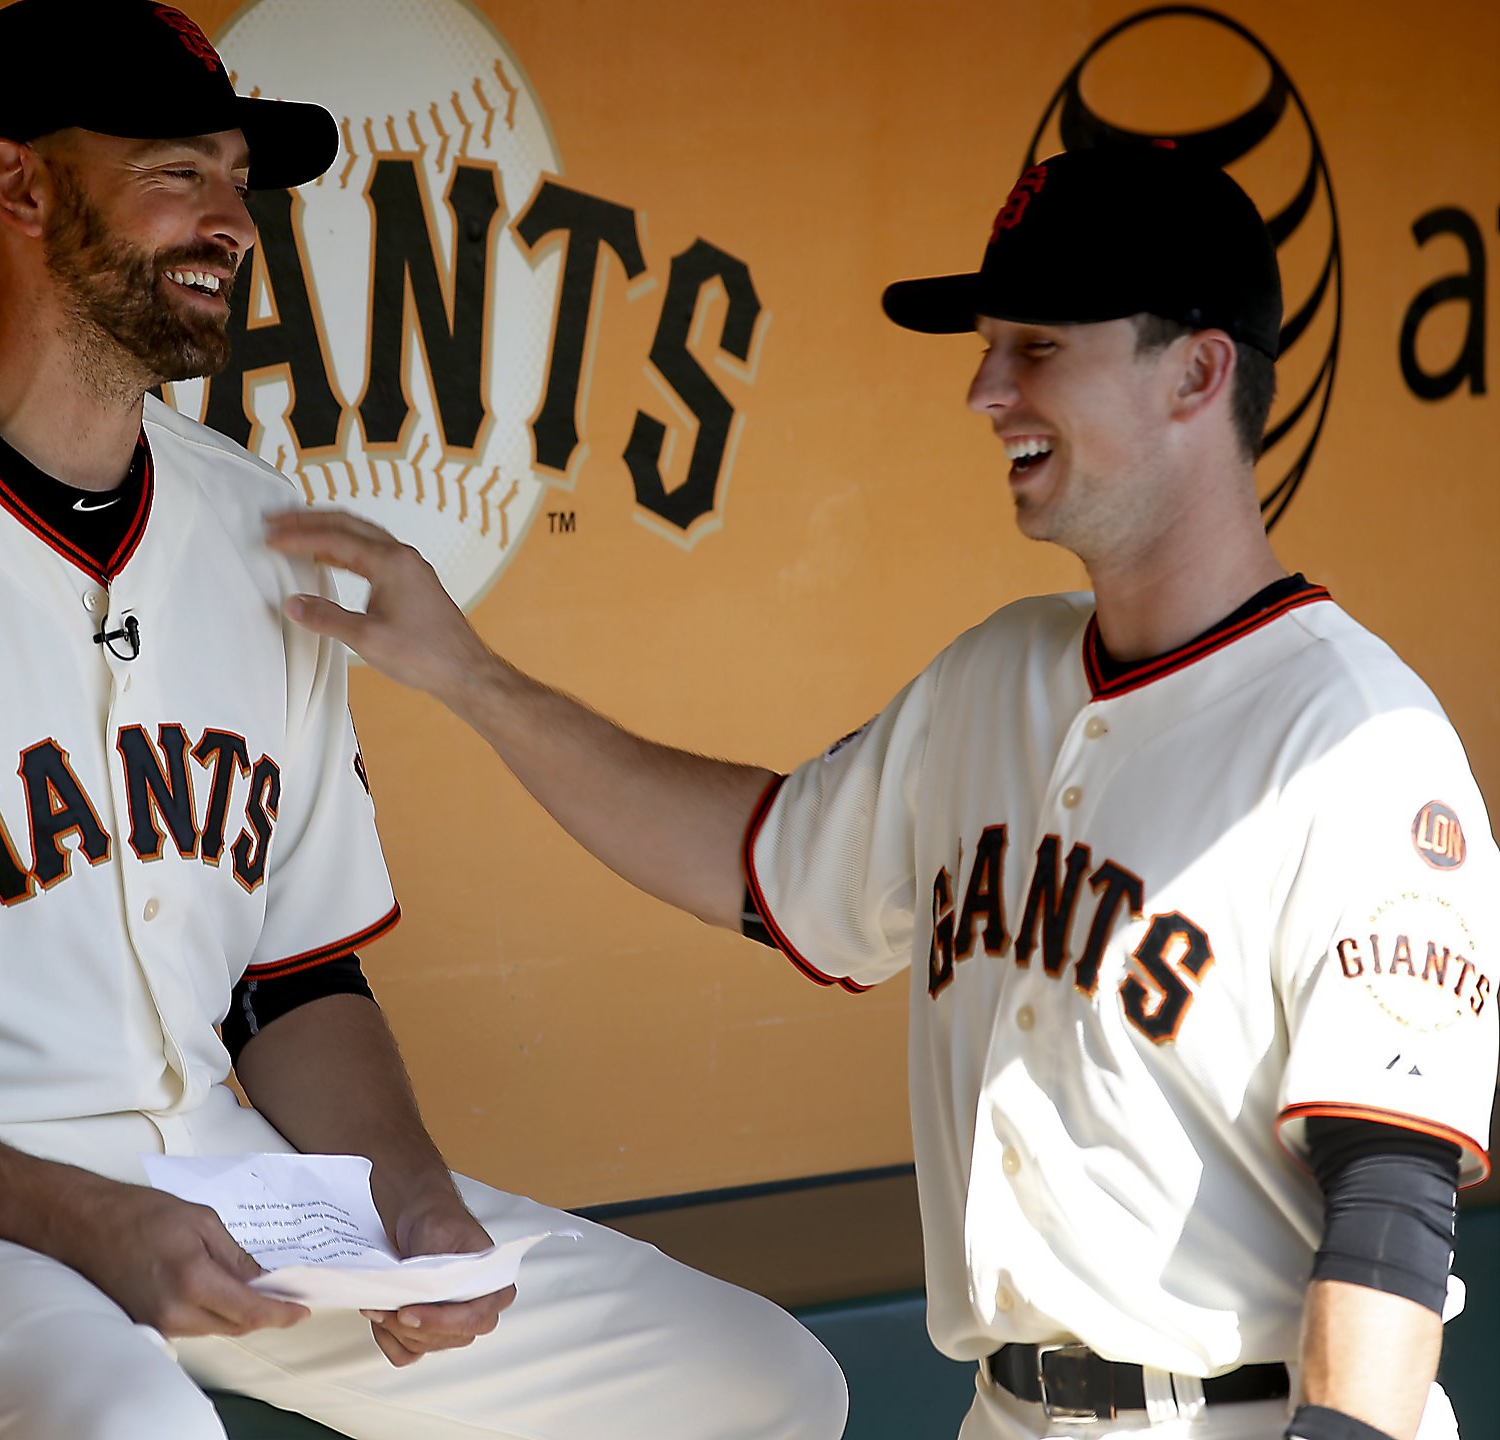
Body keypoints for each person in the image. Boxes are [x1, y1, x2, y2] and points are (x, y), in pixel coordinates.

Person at [0, 4, 848, 1437]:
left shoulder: (252, 530)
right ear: (18, 187)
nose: (233, 220)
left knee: (757, 1383)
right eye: (179, 172)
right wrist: (76, 1216)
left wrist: (410, 1196)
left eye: (239, 178)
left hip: (215, 1174)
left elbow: (295, 982)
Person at [266, 144, 1499, 1440]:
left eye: (1038, 346)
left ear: (1197, 371)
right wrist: (471, 676)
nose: (983, 387)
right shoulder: (994, 680)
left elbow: (1393, 1212)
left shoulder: (1356, 742)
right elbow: (751, 861)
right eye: (988, 345)